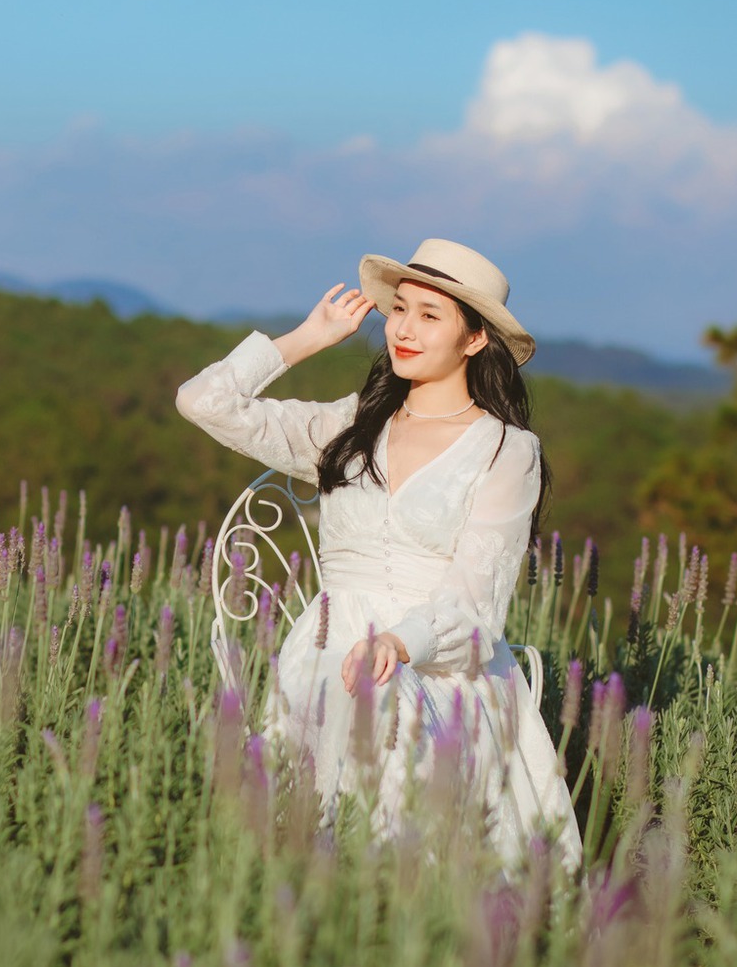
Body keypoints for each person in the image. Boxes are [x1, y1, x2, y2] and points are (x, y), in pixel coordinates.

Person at [175, 239, 580, 866]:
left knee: (390, 713)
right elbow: (202, 402)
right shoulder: (350, 426)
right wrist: (308, 338)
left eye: (430, 315)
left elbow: (476, 602)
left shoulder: (506, 450)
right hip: (328, 647)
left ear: (474, 340)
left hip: (442, 660)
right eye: (399, 309)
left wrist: (397, 643)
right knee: (354, 697)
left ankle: (399, 906)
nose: (404, 329)